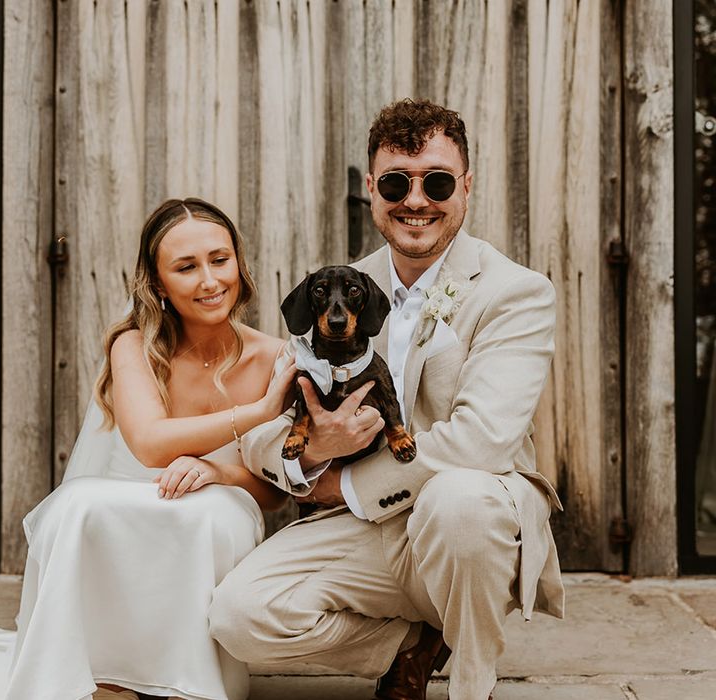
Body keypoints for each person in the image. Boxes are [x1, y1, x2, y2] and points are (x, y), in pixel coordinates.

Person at [208, 99, 565, 700]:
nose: (416, 200)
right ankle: (411, 646)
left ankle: (473, 685)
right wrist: (311, 451)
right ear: (373, 189)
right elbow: (266, 425)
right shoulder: (338, 288)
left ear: (466, 187)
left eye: (438, 182)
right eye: (397, 182)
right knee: (238, 617)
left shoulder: (517, 292)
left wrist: (341, 484)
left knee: (459, 501)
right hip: (365, 529)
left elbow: (482, 441)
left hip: (465, 528)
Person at [2, 198, 295, 700]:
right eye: (186, 267)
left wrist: (218, 472)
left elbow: (275, 495)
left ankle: (185, 683)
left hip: (221, 504)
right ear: (158, 283)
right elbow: (149, 445)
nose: (209, 280)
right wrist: (261, 412)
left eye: (219, 260)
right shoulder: (133, 345)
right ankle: (100, 677)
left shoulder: (275, 356)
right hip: (136, 490)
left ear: (238, 263)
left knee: (204, 517)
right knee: (73, 505)